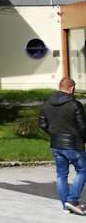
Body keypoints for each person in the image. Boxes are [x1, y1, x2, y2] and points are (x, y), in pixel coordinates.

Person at [39, 77, 86, 215]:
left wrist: (54, 134)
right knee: (83, 170)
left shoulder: (47, 103)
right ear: (72, 88)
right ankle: (72, 200)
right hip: (74, 144)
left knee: (61, 175)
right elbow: (82, 127)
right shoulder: (75, 104)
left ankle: (66, 205)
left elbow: (42, 124)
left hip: (55, 144)